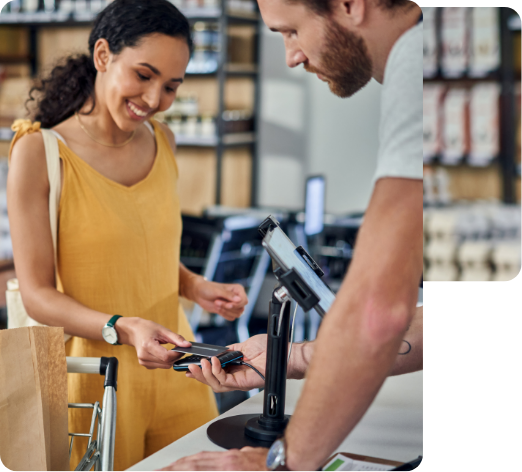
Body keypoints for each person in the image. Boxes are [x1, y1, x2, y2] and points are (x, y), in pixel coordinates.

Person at [159, 0, 423, 470]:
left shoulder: (417, 72)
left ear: (348, 5)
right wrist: (297, 355)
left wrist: (278, 463)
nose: (291, 57)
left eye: (291, 31)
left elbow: (377, 313)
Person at [7, 1, 248, 471]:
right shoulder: (39, 152)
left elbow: (142, 249)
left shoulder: (163, 142)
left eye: (171, 86)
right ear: (103, 55)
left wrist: (194, 286)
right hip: (98, 381)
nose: (155, 99)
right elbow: (37, 295)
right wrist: (123, 326)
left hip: (181, 368)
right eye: (143, 75)